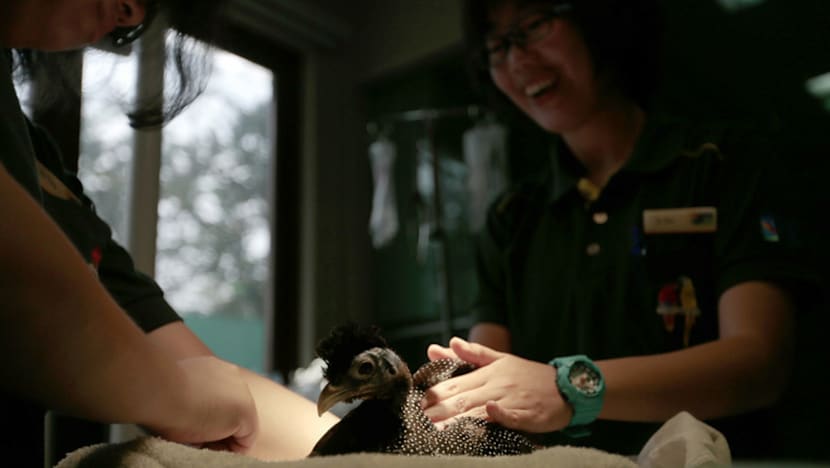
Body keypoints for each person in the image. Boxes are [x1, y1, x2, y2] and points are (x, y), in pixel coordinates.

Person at [421, 0, 821, 459]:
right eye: (496, 46)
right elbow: (487, 391)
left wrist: (570, 388)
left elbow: (758, 363)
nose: (516, 59)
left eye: (532, 26)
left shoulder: (721, 167)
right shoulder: (512, 218)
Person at [1, 0, 337, 464]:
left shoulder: (38, 163)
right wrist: (179, 396)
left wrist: (402, 440)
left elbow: (196, 370)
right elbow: (26, 294)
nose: (133, 14)